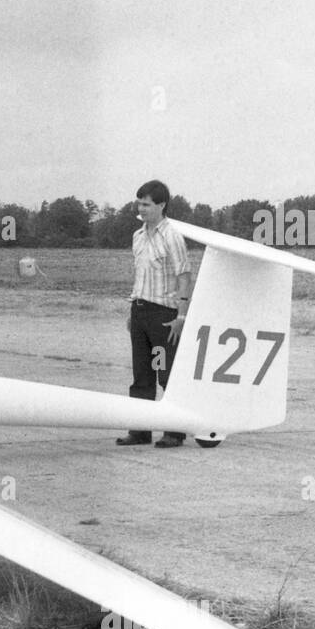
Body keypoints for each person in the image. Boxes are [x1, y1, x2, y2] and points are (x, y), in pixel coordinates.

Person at [116, 179, 193, 448]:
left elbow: (184, 276)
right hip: (140, 311)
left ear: (162, 205)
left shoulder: (172, 236)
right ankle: (140, 430)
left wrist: (181, 316)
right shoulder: (138, 236)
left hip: (164, 314)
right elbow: (140, 275)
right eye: (139, 203)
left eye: (147, 204)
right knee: (142, 375)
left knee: (166, 372)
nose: (142, 208)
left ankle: (174, 431)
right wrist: (134, 311)